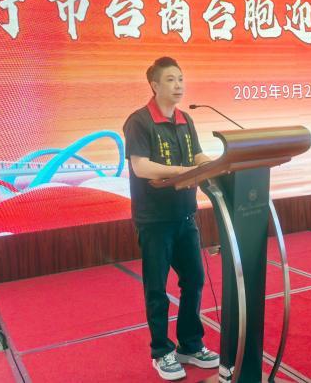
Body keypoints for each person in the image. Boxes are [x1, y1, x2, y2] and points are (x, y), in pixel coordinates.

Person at [123, 56, 220, 380]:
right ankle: (161, 351)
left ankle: (190, 345)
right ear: (154, 85)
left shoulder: (185, 119)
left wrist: (217, 164)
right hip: (154, 220)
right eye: (170, 80)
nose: (178, 85)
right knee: (156, 288)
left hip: (184, 215)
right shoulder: (139, 121)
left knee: (194, 280)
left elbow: (196, 155)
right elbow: (141, 167)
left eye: (180, 79)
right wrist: (183, 171)